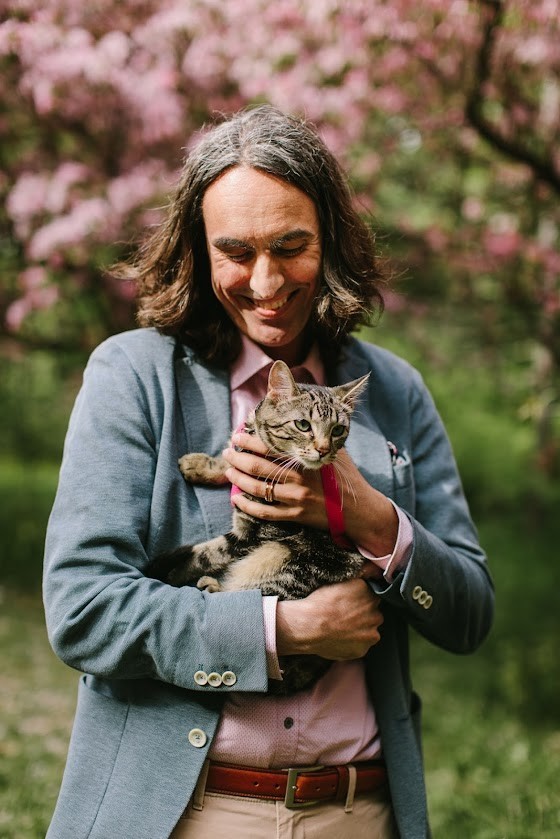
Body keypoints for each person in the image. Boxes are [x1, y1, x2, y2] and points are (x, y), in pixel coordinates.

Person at [43, 105, 494, 839]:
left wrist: (366, 514)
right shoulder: (132, 376)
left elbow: (470, 613)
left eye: (291, 246)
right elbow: (83, 611)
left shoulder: (396, 390)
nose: (265, 280)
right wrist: (282, 629)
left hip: (360, 812)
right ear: (200, 253)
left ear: (331, 241)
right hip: (183, 813)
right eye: (235, 251)